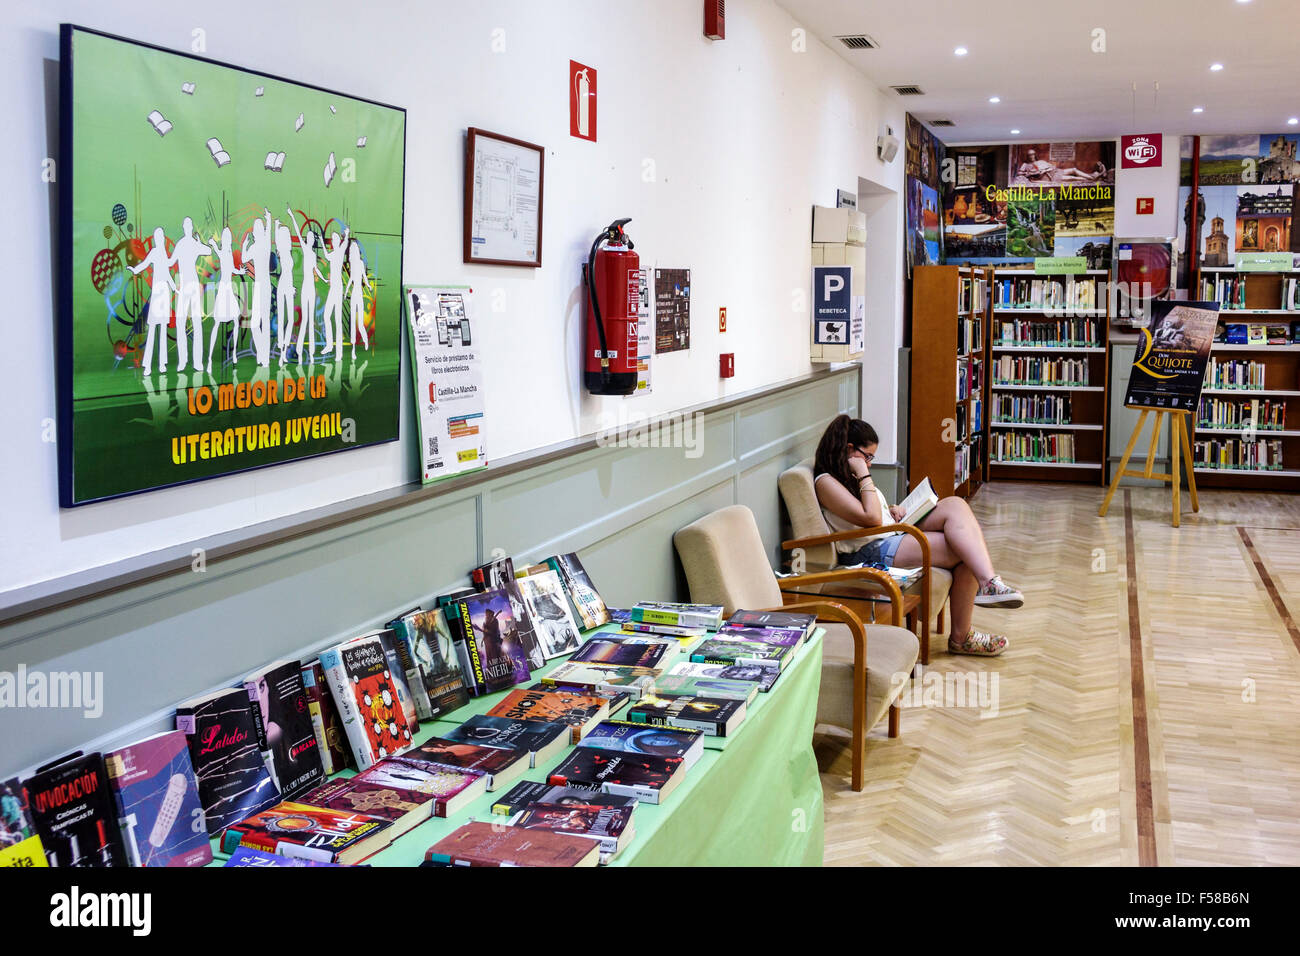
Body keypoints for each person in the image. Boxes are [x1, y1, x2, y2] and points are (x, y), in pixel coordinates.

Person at [812, 415, 1023, 657]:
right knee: (964, 550)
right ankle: (962, 636)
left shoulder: (847, 475)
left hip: (888, 532)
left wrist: (890, 509)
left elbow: (869, 513)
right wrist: (862, 474)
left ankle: (989, 583)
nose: (869, 464)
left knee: (954, 504)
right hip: (870, 550)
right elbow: (869, 519)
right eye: (867, 457)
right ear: (849, 449)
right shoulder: (825, 482)